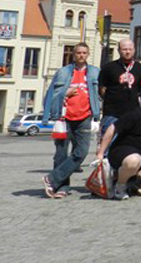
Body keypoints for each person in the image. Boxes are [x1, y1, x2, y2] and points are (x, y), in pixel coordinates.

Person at [42, 42, 101, 199]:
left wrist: (98, 115)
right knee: (61, 154)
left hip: (85, 117)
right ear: (73, 55)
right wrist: (64, 94)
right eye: (78, 53)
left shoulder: (95, 72)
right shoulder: (63, 72)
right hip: (64, 118)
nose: (81, 55)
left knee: (81, 152)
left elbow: (100, 93)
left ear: (88, 54)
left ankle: (51, 179)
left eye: (84, 53)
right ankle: (62, 187)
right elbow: (50, 94)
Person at [98, 38, 141, 135]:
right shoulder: (108, 67)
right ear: (118, 50)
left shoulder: (140, 68)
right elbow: (102, 89)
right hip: (112, 113)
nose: (127, 52)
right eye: (124, 49)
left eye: (130, 49)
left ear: (134, 50)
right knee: (108, 142)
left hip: (133, 112)